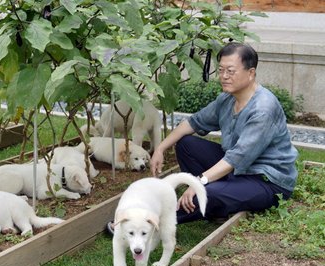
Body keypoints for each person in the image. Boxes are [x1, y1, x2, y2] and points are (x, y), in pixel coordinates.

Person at [107, 42, 298, 233]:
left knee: (206, 193)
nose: (224, 76)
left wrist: (199, 182)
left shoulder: (263, 109)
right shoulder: (227, 99)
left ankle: (142, 222)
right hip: (238, 171)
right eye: (221, 70)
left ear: (251, 73)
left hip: (265, 181)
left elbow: (236, 158)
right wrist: (160, 148)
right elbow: (193, 123)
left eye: (230, 71)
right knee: (186, 144)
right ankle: (217, 205)